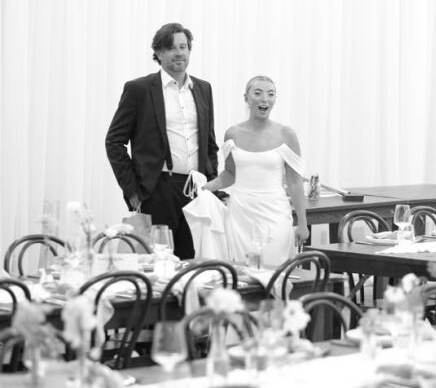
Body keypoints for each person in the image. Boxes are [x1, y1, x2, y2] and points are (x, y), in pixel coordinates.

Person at [105, 23, 218, 259]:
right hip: (157, 190)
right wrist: (133, 191)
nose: (179, 53)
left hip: (195, 191)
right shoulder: (139, 89)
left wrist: (212, 183)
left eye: (183, 47)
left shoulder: (203, 89)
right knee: (157, 264)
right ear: (157, 53)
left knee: (193, 263)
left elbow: (209, 142)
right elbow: (114, 142)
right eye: (170, 48)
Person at [204, 76, 309, 267]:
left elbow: (295, 182)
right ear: (247, 97)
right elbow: (230, 173)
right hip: (241, 213)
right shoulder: (232, 134)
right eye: (258, 93)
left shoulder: (286, 134)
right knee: (243, 272)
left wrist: (302, 223)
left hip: (274, 212)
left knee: (275, 269)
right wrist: (208, 187)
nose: (264, 99)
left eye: (270, 94)